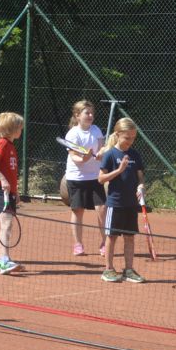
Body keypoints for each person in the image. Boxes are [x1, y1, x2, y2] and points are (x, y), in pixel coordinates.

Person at [96, 117, 146, 283]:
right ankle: (108, 269)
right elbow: (101, 179)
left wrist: (140, 187)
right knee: (111, 237)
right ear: (118, 135)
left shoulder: (135, 155)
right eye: (127, 138)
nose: (130, 141)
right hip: (115, 203)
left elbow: (140, 177)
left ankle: (129, 270)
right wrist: (119, 170)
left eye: (133, 138)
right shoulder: (110, 155)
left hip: (131, 204)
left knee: (130, 237)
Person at [63, 100, 107, 257]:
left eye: (91, 113)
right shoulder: (72, 134)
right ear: (77, 115)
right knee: (78, 210)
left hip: (95, 177)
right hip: (77, 177)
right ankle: (78, 244)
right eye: (86, 113)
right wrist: (86, 158)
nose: (90, 115)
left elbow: (102, 146)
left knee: (102, 209)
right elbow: (75, 158)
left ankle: (104, 243)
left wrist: (101, 153)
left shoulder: (96, 130)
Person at [0, 112, 24, 275]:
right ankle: (3, 260)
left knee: (7, 224)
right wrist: (3, 181)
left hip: (9, 192)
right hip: (1, 191)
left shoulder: (10, 146)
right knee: (6, 223)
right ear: (12, 129)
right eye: (19, 127)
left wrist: (16, 191)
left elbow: (11, 172)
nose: (21, 130)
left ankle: (4, 260)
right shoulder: (2, 144)